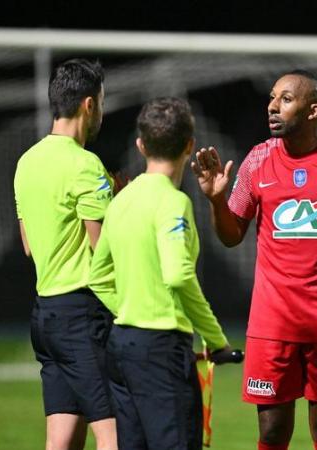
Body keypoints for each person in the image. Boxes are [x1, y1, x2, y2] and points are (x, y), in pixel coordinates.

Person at [191, 70, 317, 450]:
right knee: (270, 432)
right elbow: (232, 236)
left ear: (313, 110)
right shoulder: (257, 161)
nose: (272, 106)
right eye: (272, 98)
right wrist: (217, 200)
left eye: (285, 99)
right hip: (273, 321)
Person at [89, 97, 234, 450]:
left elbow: (97, 276)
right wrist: (216, 341)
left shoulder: (122, 199)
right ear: (189, 145)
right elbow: (179, 276)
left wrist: (129, 308)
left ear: (141, 145)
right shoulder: (173, 202)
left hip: (121, 346)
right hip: (160, 351)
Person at [14, 58, 117, 450]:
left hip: (46, 317)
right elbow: (104, 251)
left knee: (61, 442)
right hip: (83, 315)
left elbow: (29, 246)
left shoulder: (26, 162)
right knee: (116, 436)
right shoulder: (85, 165)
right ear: (89, 105)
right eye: (102, 104)